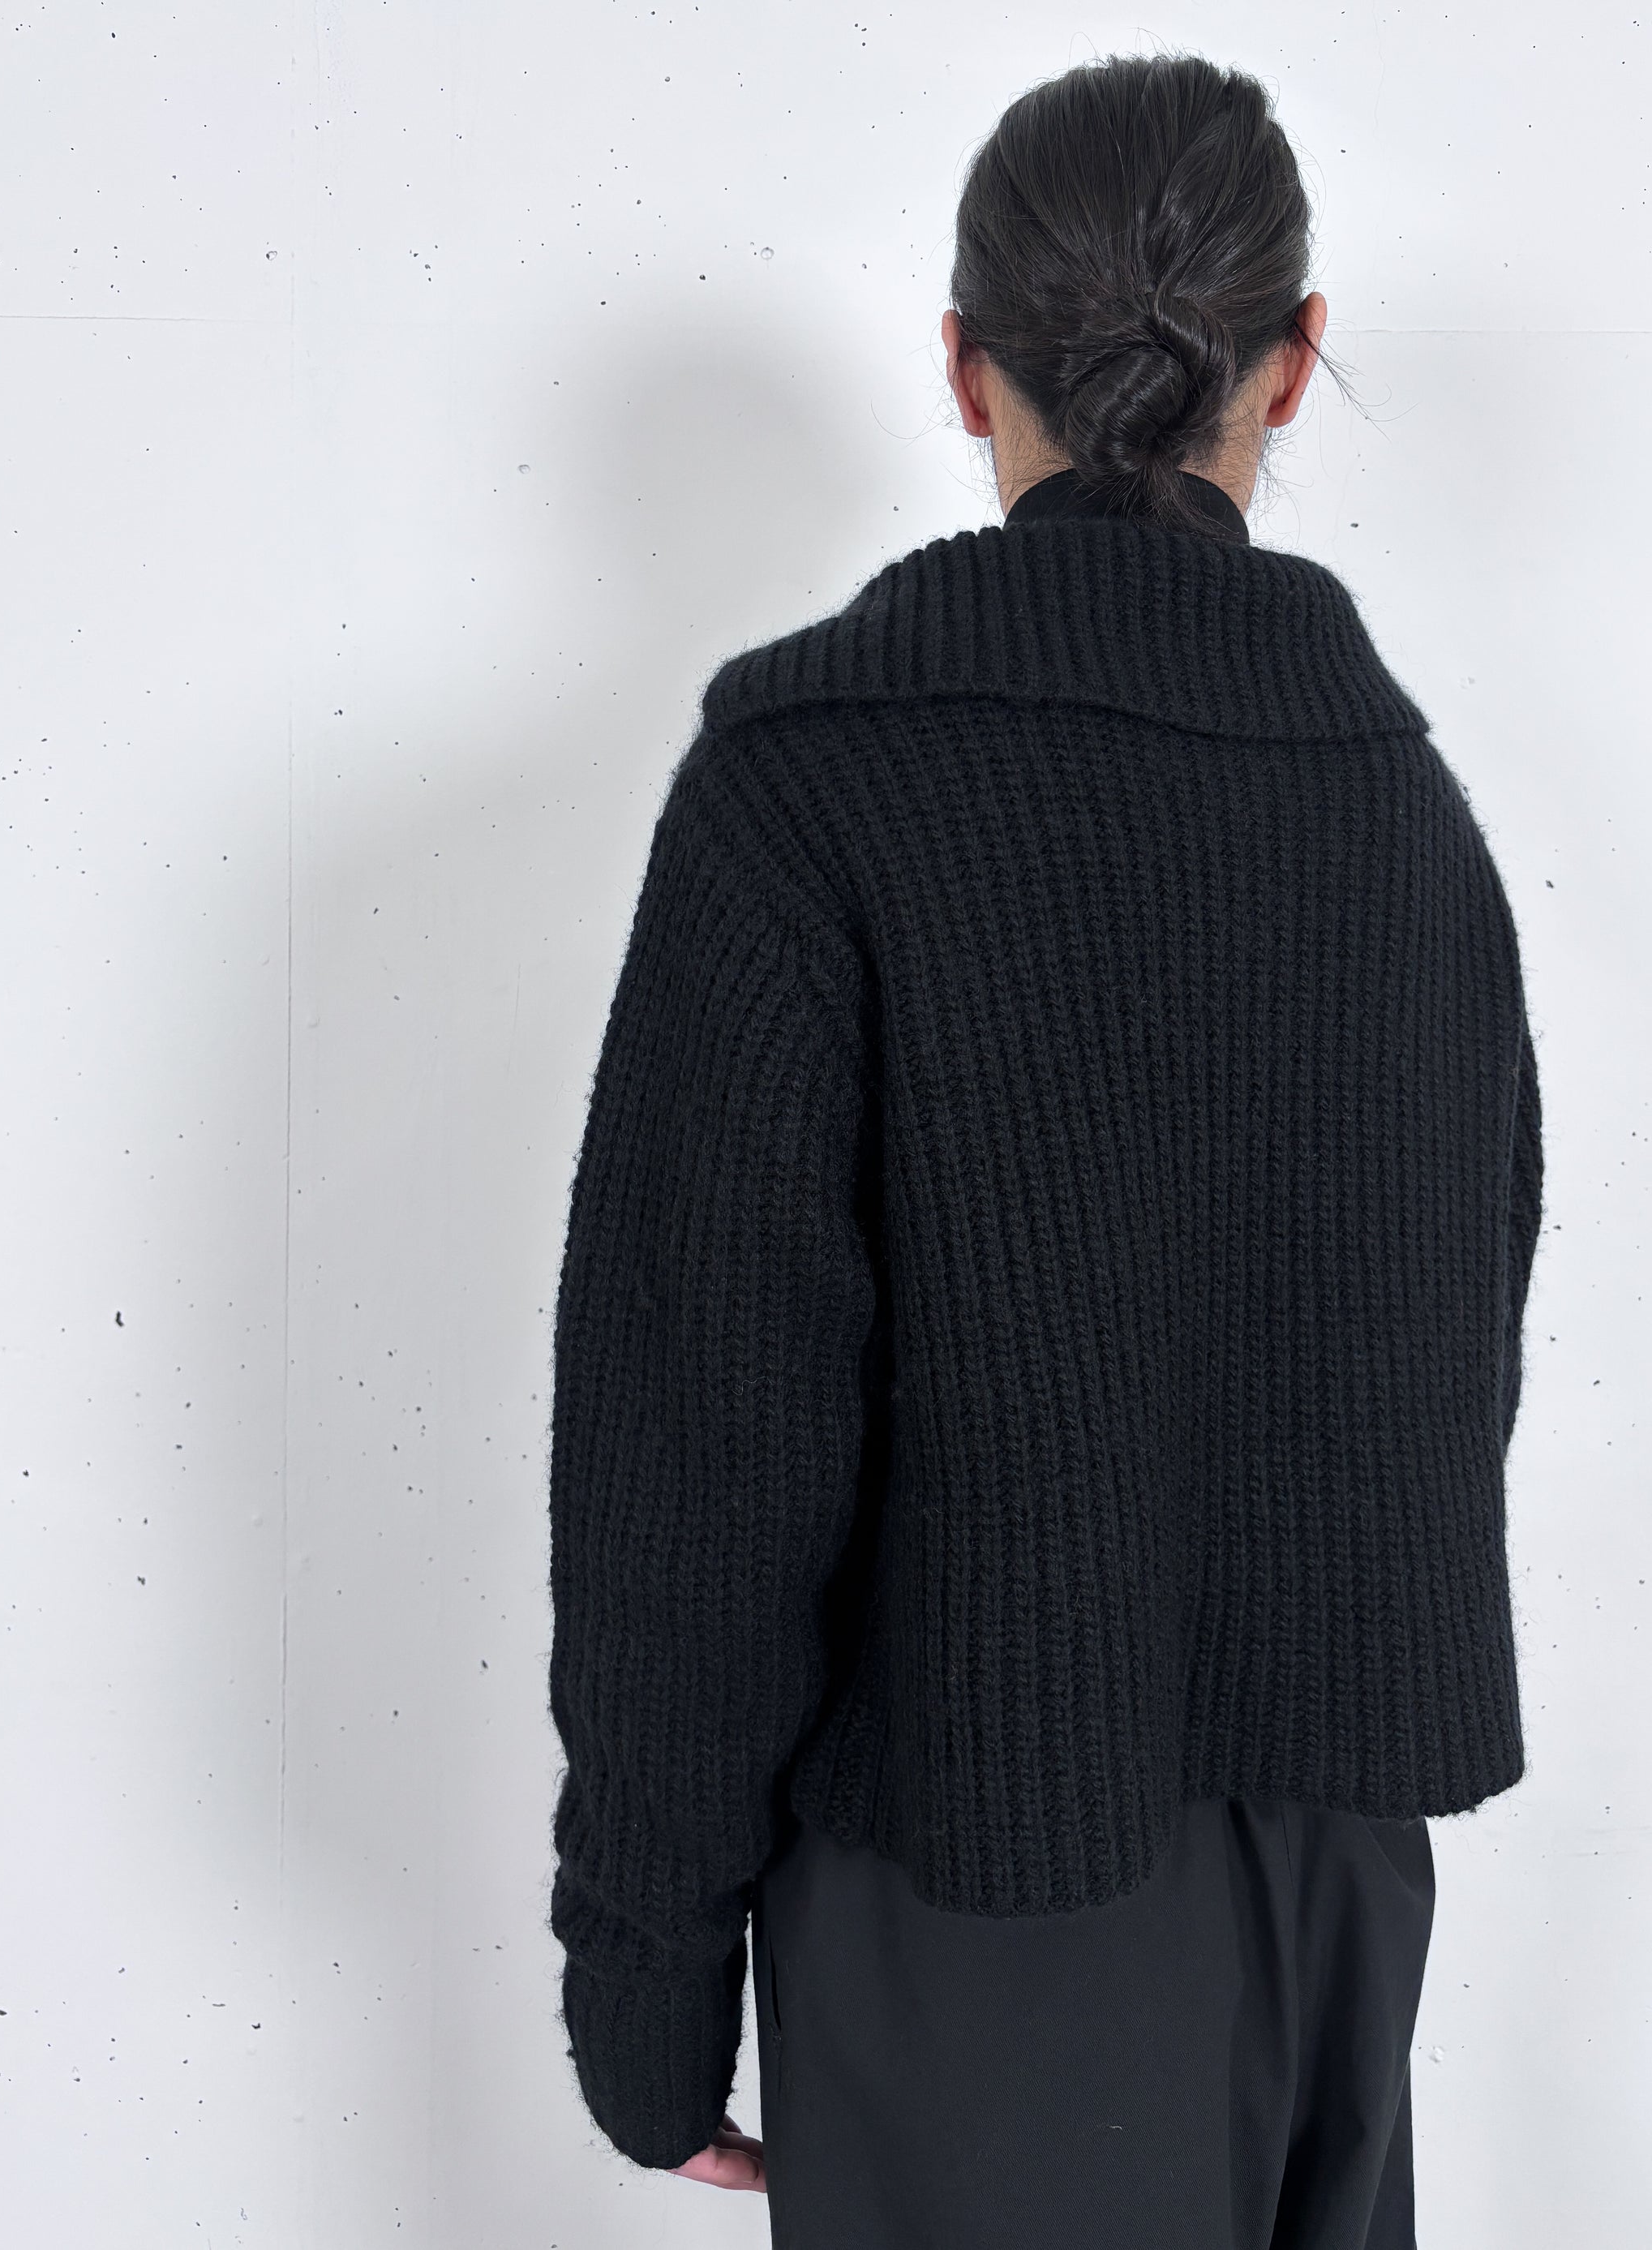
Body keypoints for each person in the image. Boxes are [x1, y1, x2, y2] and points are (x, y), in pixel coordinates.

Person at [544, 50, 1544, 2250]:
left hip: (970, 1903)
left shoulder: (811, 790)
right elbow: (1461, 1340)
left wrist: (644, 1974)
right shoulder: (1399, 808)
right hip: (1342, 1889)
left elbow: (697, 1464)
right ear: (1292, 363)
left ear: (960, 362)